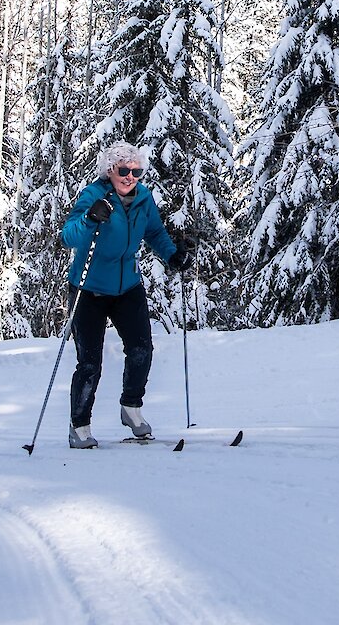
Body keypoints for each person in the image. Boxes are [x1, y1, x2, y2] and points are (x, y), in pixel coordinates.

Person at [61, 142, 192, 449]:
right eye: (124, 170)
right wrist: (90, 218)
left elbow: (155, 233)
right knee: (90, 362)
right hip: (88, 287)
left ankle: (131, 408)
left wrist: (172, 256)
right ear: (110, 170)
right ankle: (79, 425)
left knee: (141, 348)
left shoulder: (143, 199)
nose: (130, 176)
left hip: (127, 287)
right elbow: (69, 236)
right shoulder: (94, 196)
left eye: (136, 171)